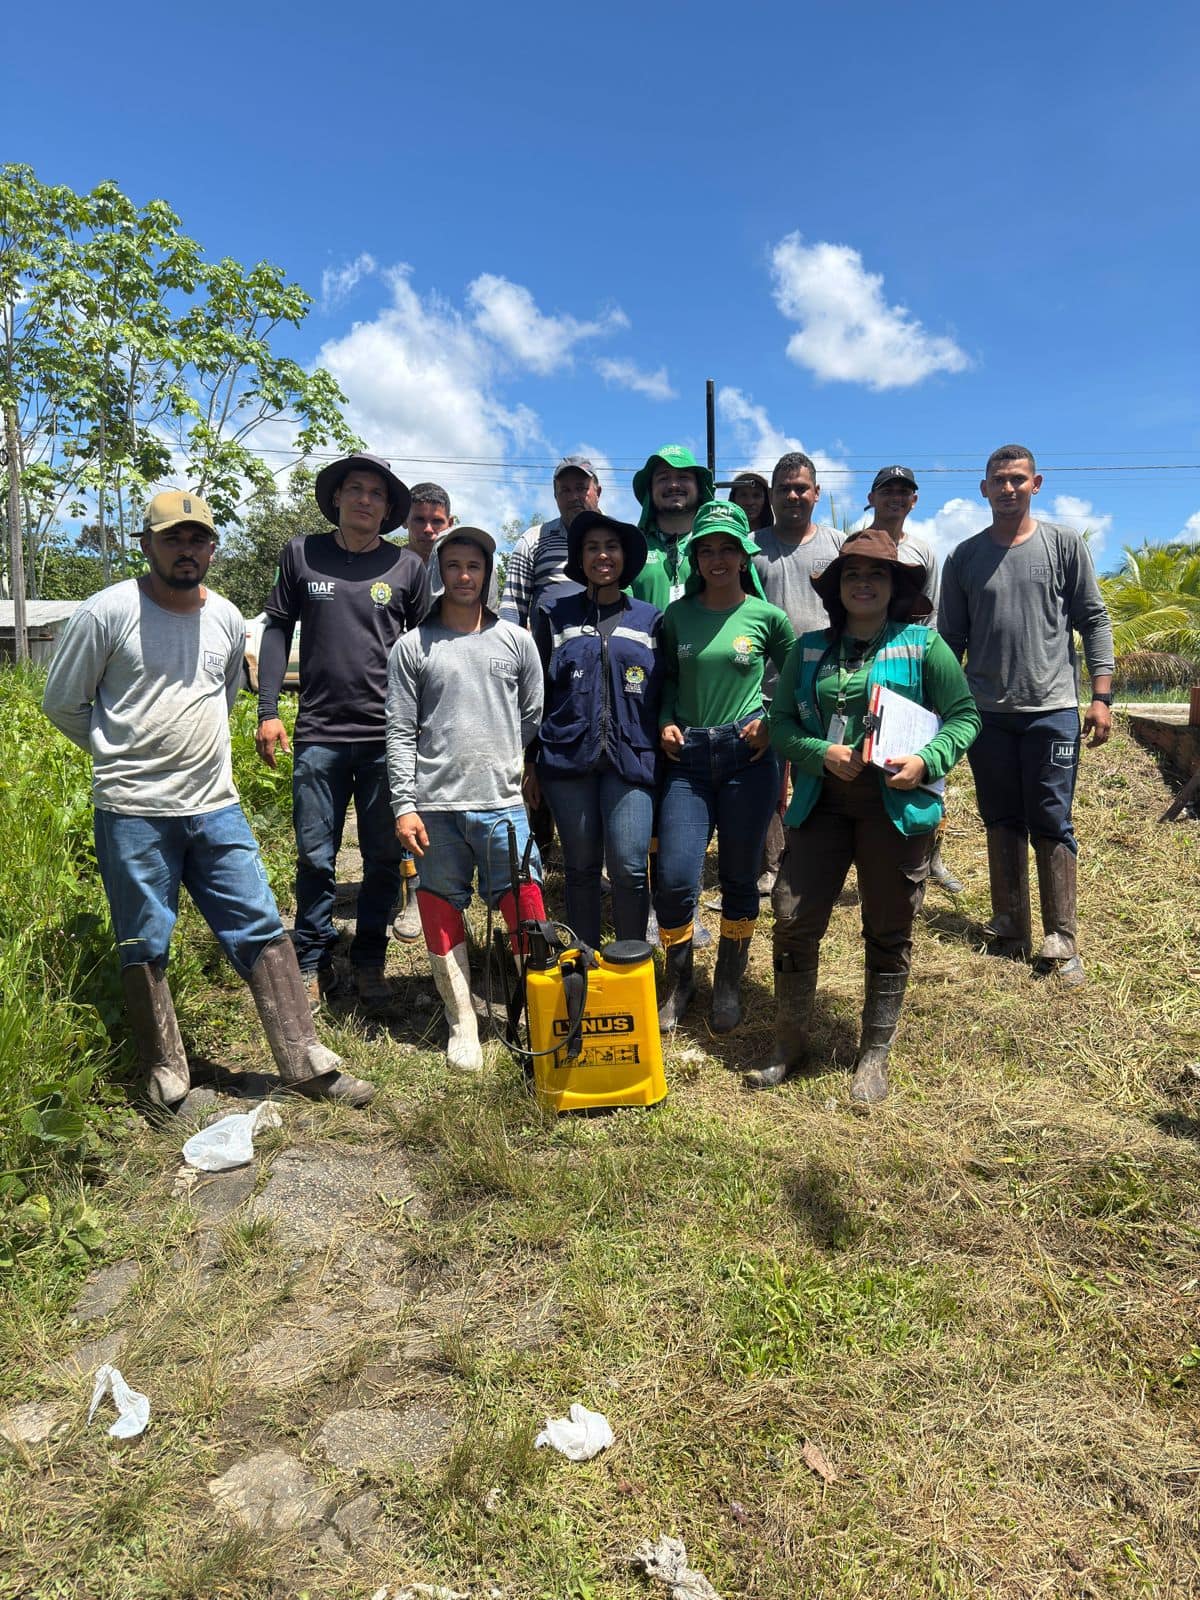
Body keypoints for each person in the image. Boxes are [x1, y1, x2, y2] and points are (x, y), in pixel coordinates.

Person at [41, 490, 374, 1111]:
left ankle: (307, 1062)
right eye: (172, 538)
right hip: (133, 810)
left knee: (260, 926)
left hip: (214, 804)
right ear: (146, 545)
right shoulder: (106, 612)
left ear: (212, 549)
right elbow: (63, 703)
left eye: (197, 539)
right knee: (145, 938)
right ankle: (166, 1081)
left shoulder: (224, 615)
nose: (186, 549)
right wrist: (119, 752)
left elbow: (222, 693)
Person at [749, 528, 980, 1103]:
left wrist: (927, 761)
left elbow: (964, 716)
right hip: (821, 804)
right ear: (836, 590)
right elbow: (779, 725)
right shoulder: (807, 649)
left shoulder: (924, 648)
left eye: (876, 574)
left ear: (896, 585)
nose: (863, 583)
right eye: (852, 575)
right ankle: (790, 1042)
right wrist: (819, 752)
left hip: (893, 809)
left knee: (888, 925)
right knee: (794, 915)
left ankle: (872, 1056)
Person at [255, 453, 429, 1010]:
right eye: (355, 489)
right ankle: (310, 959)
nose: (364, 500)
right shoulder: (302, 554)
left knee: (382, 857)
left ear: (387, 509)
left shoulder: (407, 569)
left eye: (376, 494)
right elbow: (278, 627)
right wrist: (267, 709)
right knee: (314, 855)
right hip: (319, 734)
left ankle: (369, 960)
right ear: (336, 498)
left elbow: (429, 651)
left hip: (387, 738)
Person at [939, 445, 1114, 985]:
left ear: (1036, 483)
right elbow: (950, 641)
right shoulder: (964, 558)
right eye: (999, 480)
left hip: (1053, 710)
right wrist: (943, 710)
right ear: (984, 488)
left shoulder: (1062, 545)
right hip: (986, 714)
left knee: (1050, 819)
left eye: (1018, 479)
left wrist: (1102, 695)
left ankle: (1062, 937)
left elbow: (1094, 618)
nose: (1008, 488)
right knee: (1000, 817)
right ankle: (1011, 924)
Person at [386, 527, 545, 1073]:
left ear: (488, 572)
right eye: (452, 565)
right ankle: (462, 1023)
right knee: (438, 906)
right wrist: (404, 804)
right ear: (438, 573)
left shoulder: (516, 642)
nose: (463, 576)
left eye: (474, 565)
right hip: (436, 808)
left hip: (502, 805)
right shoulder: (413, 647)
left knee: (524, 903)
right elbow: (400, 731)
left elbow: (531, 716)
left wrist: (500, 761)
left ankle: (539, 1012)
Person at [655, 501, 795, 1033]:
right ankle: (681, 980)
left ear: (744, 556)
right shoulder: (678, 616)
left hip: (747, 759)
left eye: (727, 548)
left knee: (739, 877)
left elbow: (797, 680)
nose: (716, 558)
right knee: (673, 879)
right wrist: (666, 719)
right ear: (694, 558)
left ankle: (730, 981)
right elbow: (667, 679)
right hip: (687, 760)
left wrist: (773, 722)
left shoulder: (768, 618)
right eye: (706, 549)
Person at [525, 511, 663, 947]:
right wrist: (530, 760)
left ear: (625, 557)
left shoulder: (651, 619)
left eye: (612, 547)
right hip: (567, 758)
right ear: (580, 559)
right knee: (581, 867)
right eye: (592, 547)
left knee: (628, 866)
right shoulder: (552, 613)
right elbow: (536, 692)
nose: (603, 555)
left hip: (633, 759)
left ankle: (632, 959)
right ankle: (583, 961)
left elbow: (663, 692)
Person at [393, 482, 496, 943]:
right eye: (420, 520)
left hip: (473, 741)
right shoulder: (396, 569)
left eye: (437, 521)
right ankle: (415, 896)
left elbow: (527, 711)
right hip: (409, 705)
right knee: (413, 824)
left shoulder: (507, 636)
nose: (429, 528)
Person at [750, 452, 845, 898]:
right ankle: (771, 865)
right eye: (784, 488)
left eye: (801, 488)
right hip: (764, 687)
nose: (793, 495)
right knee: (768, 781)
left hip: (828, 686)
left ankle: (812, 859)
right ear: (771, 495)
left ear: (817, 493)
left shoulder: (838, 546)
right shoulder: (752, 548)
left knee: (821, 773)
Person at [865, 464, 961, 896]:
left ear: (914, 501)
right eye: (887, 491)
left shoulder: (925, 551)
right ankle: (873, 855)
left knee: (925, 764)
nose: (895, 498)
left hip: (913, 664)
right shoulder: (858, 542)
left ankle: (928, 855)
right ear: (872, 497)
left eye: (904, 492)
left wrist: (931, 670)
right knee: (871, 763)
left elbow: (933, 612)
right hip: (868, 666)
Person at [498, 456, 601, 628]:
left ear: (598, 492)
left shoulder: (620, 538)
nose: (573, 496)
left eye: (581, 488)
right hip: (546, 654)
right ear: (555, 496)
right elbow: (511, 612)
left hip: (609, 652)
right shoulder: (533, 540)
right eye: (565, 490)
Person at [627, 443, 717, 610]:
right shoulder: (631, 547)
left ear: (699, 487)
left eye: (683, 477)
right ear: (650, 490)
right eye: (663, 478)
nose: (673, 485)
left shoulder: (721, 544)